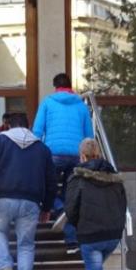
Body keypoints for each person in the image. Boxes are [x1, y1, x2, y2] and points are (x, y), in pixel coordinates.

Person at [0, 112, 57, 270]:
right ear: (28, 126)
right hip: (31, 202)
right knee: (26, 245)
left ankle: (4, 264)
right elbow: (51, 180)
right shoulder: (42, 148)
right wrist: (47, 207)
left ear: (8, 126)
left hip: (3, 198)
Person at [32, 72, 93, 252]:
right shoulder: (81, 106)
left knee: (44, 186)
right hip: (76, 155)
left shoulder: (47, 102)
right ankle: (72, 241)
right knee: (71, 195)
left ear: (55, 87)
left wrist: (36, 153)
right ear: (70, 86)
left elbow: (37, 131)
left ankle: (59, 208)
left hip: (53, 154)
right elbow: (89, 135)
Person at [65, 138, 127, 270]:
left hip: (90, 236)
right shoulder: (114, 178)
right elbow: (123, 205)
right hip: (113, 236)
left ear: (82, 156)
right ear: (98, 154)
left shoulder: (77, 178)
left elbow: (71, 210)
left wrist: (78, 226)